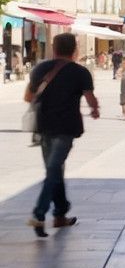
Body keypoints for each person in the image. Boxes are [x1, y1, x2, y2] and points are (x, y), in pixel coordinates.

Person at [24, 34, 99, 237]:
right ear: (74, 49)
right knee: (54, 170)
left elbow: (29, 97)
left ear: (54, 48)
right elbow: (90, 97)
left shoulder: (40, 69)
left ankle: (60, 214)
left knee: (54, 169)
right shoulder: (81, 72)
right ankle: (39, 214)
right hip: (66, 127)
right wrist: (95, 109)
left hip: (44, 126)